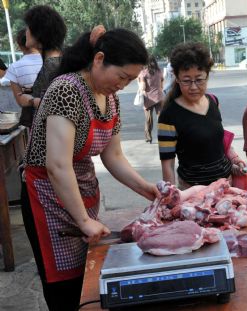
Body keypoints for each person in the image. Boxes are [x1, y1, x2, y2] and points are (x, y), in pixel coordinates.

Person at [21, 26, 160, 311]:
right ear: (98, 59)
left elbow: (115, 157)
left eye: (131, 79)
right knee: (66, 292)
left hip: (82, 194)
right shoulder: (66, 90)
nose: (123, 84)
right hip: (48, 199)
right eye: (121, 76)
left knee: (89, 281)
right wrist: (83, 221)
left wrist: (146, 188)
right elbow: (57, 165)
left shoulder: (110, 98)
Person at [157, 42, 246, 189]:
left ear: (207, 76)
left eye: (199, 79)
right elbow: (168, 163)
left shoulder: (213, 101)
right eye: (186, 80)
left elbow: (219, 139)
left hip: (226, 185)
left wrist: (234, 159)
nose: (193, 87)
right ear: (177, 79)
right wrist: (171, 198)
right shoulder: (169, 115)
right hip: (194, 191)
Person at [18, 5, 66, 127]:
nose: (26, 32)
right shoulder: (59, 61)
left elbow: (57, 107)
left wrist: (31, 101)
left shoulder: (52, 66)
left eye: (28, 27)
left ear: (38, 33)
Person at [4, 28, 43, 113]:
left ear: (19, 45)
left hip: (31, 119)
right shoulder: (55, 61)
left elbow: (20, 102)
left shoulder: (15, 68)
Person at [137, 55, 163, 143]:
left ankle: (148, 137)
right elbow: (162, 83)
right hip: (159, 97)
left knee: (149, 119)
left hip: (148, 98)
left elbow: (143, 87)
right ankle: (162, 136)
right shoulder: (159, 71)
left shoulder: (143, 73)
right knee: (160, 118)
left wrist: (138, 82)